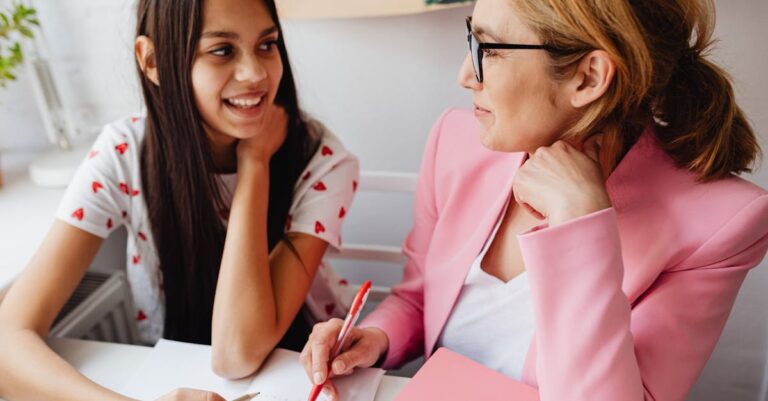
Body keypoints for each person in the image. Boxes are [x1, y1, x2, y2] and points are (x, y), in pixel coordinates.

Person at [299, 0, 768, 400]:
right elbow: (420, 297)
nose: (465, 74)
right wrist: (375, 339)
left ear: (588, 78)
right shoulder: (457, 140)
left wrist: (583, 227)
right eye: (471, 39)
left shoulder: (721, 224)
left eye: (490, 50)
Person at [0, 0, 359, 399]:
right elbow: (7, 341)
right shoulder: (124, 156)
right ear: (151, 60)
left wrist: (254, 165)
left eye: (267, 44)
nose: (255, 73)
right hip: (173, 376)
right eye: (222, 50)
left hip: (307, 376)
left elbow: (238, 353)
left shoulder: (322, 161)